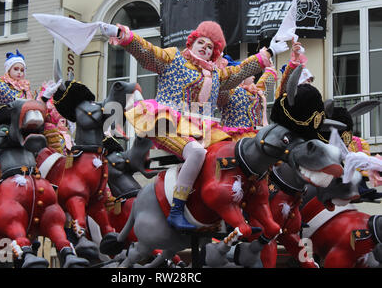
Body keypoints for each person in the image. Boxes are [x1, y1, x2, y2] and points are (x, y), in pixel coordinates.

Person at [100, 21, 289, 230]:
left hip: (200, 128)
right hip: (166, 121)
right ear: (192, 42)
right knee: (197, 153)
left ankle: (228, 207)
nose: (205, 48)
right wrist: (122, 33)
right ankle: (176, 210)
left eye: (210, 47)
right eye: (201, 42)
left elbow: (240, 71)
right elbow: (148, 51)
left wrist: (269, 52)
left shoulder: (215, 74)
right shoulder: (174, 59)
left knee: (227, 154)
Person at [218, 58, 277, 129]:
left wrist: (270, 67)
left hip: (253, 135)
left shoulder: (254, 92)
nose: (254, 77)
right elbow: (222, 90)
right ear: (241, 76)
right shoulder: (230, 91)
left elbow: (265, 84)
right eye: (250, 74)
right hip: (233, 134)